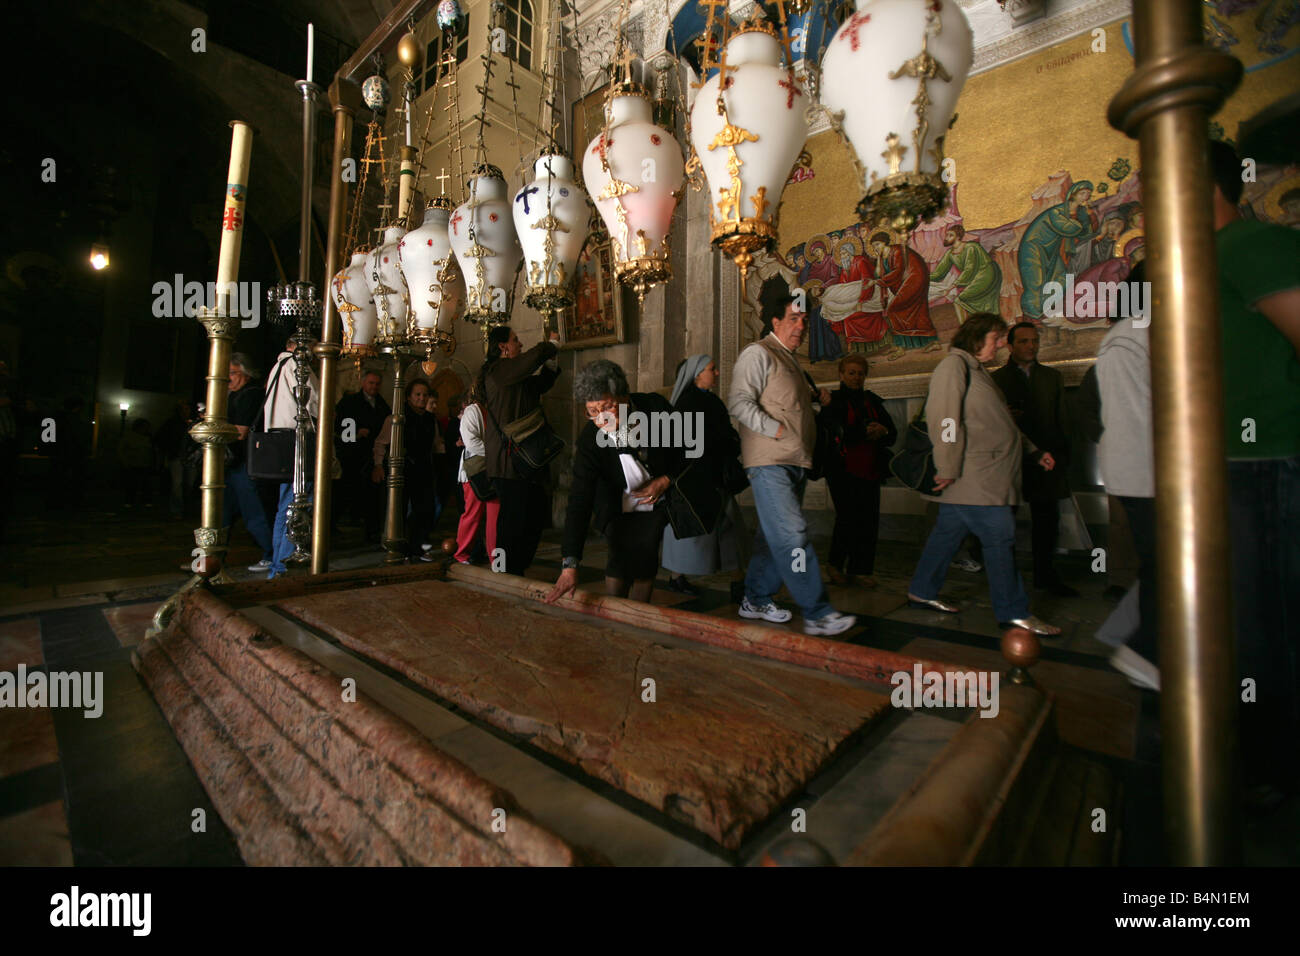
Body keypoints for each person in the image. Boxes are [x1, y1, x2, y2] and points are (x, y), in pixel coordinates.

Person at [1209, 138, 1300, 803]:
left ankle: (1275, 765)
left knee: (1271, 624)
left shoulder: (1244, 246)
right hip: (1235, 465)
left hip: (1271, 461)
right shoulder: (1206, 260)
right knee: (1247, 625)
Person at [906, 312, 1062, 635]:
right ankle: (1013, 611)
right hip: (975, 476)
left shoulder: (978, 372)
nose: (1000, 345)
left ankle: (921, 591)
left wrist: (1034, 451)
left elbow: (1000, 423)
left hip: (979, 476)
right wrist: (947, 467)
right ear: (976, 339)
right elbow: (944, 420)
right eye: (995, 338)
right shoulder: (954, 367)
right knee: (1000, 538)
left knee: (945, 537)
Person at [727, 281, 857, 637]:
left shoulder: (790, 361)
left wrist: (816, 403)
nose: (803, 326)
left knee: (773, 538)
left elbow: (788, 405)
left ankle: (755, 598)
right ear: (774, 321)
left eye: (805, 319)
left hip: (794, 461)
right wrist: (774, 429)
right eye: (795, 319)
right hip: (769, 462)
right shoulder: (758, 353)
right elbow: (738, 401)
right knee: (793, 533)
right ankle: (817, 612)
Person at [546, 360, 683, 605]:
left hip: (653, 499)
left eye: (607, 407)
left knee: (645, 553)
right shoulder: (590, 439)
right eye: (592, 411)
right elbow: (579, 499)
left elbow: (688, 449)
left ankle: (638, 615)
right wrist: (570, 564)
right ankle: (615, 612)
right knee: (618, 553)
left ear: (624, 397)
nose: (601, 419)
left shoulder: (654, 408)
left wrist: (666, 479)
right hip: (613, 500)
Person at [1095, 270, 1160, 691]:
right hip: (1146, 469)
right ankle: (1144, 649)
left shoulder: (1132, 332)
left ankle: (1135, 642)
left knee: (1161, 563)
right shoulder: (1135, 334)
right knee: (1163, 563)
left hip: (1142, 466)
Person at [991, 322, 1077, 596]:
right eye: (1024, 341)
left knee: (1046, 522)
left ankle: (1046, 575)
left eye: (1034, 341)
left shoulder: (1052, 377)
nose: (1031, 346)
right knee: (1006, 522)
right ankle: (1006, 579)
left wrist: (1063, 456)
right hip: (1012, 461)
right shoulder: (997, 380)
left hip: (1047, 459)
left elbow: (1062, 419)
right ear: (1011, 345)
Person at [661, 355, 747, 599]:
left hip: (715, 477)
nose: (717, 373)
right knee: (692, 533)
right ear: (697, 374)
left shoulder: (711, 400)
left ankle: (738, 581)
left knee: (729, 529)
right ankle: (677, 577)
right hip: (695, 480)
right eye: (712, 369)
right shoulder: (687, 403)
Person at [480, 325, 561, 576]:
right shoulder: (499, 371)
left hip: (527, 458)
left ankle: (518, 567)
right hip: (509, 462)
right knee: (511, 522)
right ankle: (504, 569)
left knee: (533, 517)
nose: (521, 345)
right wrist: (551, 345)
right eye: (516, 341)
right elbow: (530, 360)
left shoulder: (513, 377)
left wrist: (552, 362)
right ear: (503, 348)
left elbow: (538, 385)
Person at [819, 354, 897, 587]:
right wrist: (865, 433)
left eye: (860, 373)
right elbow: (830, 434)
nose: (856, 377)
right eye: (851, 373)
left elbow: (892, 433)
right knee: (847, 518)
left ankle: (860, 569)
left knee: (869, 519)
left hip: (870, 467)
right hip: (842, 469)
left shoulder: (872, 400)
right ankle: (834, 564)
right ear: (841, 374)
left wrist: (882, 431)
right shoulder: (832, 401)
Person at [264, 339, 320, 579]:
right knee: (297, 504)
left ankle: (277, 564)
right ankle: (283, 567)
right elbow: (315, 402)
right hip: (298, 441)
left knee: (283, 507)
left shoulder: (277, 367)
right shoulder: (297, 365)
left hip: (279, 441)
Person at [373, 380, 442, 560]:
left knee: (425, 510)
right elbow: (381, 443)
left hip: (424, 470)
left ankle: (417, 548)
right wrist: (378, 464)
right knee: (399, 509)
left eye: (424, 395)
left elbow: (435, 444)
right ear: (409, 397)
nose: (421, 398)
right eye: (417, 394)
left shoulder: (430, 418)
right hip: (403, 470)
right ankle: (397, 547)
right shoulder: (397, 417)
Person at [224, 353, 274, 572]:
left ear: (244, 373)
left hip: (245, 462)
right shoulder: (232, 395)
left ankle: (272, 554)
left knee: (253, 512)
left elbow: (241, 432)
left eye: (232, 373)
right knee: (222, 511)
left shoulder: (250, 395)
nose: (229, 379)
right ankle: (209, 556)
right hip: (231, 463)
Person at [335, 370, 390, 541]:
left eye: (376, 384)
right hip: (353, 454)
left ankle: (372, 530)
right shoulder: (350, 402)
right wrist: (356, 433)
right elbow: (342, 428)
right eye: (371, 383)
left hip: (372, 455)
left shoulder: (382, 404)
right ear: (363, 383)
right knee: (346, 491)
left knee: (372, 494)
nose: (374, 387)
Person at [454, 387, 498, 565]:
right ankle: (462, 554)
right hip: (475, 471)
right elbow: (471, 443)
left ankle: (496, 558)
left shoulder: (494, 410)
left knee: (495, 515)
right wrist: (496, 452)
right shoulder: (472, 411)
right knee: (473, 513)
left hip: (493, 468)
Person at [929, 224, 1002, 322]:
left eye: (950, 235)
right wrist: (922, 277)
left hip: (987, 273)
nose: (946, 238)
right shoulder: (950, 254)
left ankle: (965, 327)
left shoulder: (971, 247)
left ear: (958, 237)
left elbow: (969, 269)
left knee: (960, 299)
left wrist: (951, 287)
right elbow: (938, 274)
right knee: (965, 301)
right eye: (946, 235)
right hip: (976, 277)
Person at [154, 400, 197, 518]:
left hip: (190, 457)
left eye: (187, 409)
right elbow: (161, 439)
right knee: (177, 484)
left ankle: (187, 509)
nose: (186, 412)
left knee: (189, 484)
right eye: (183, 409)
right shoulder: (171, 424)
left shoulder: (192, 424)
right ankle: (177, 510)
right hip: (177, 456)